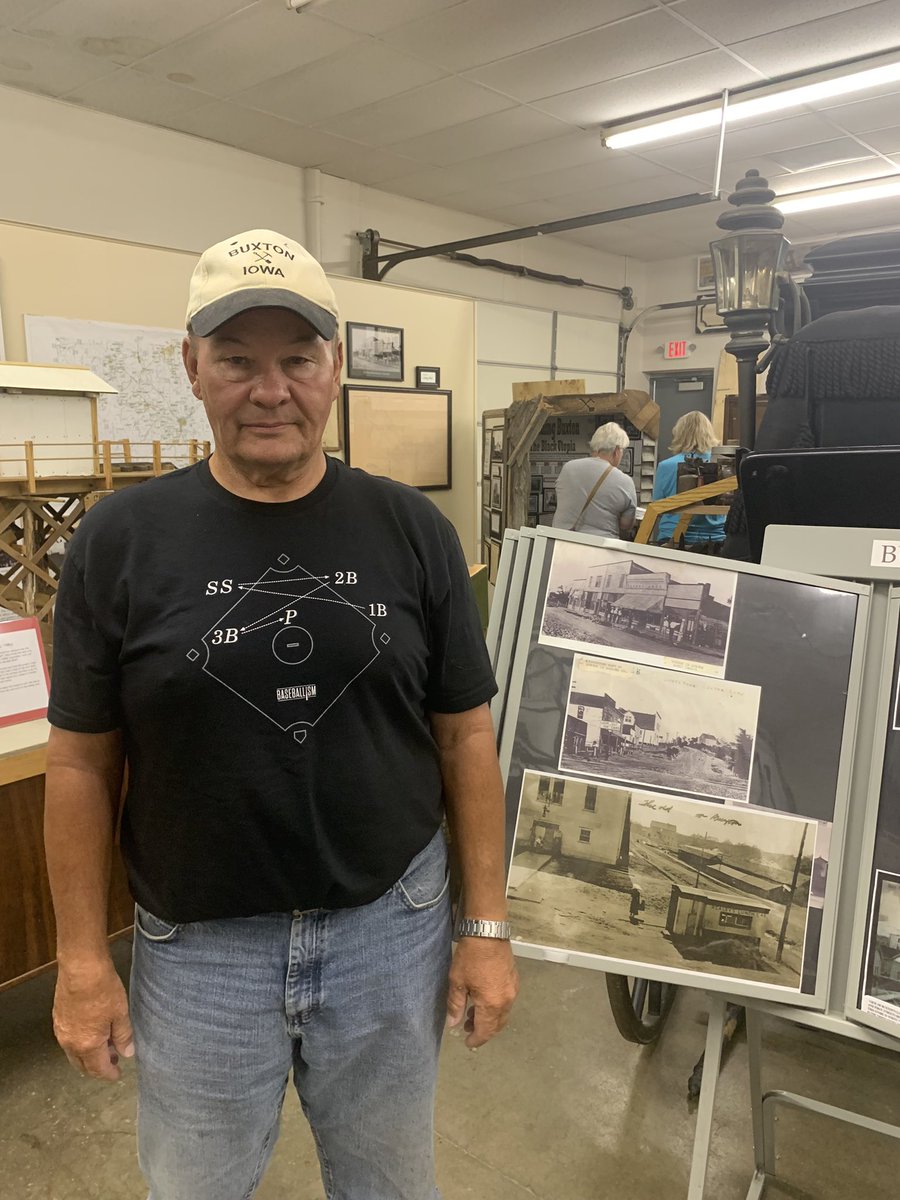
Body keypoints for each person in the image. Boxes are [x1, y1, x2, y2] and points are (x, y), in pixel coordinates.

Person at [43, 228, 519, 1200]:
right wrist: (82, 958)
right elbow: (81, 765)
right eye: (237, 360)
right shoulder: (118, 541)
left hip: (391, 929)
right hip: (200, 951)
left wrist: (487, 926)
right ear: (192, 368)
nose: (270, 390)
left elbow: (466, 736)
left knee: (389, 1188)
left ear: (333, 369)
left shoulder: (412, 530)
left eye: (297, 359)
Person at [652, 411, 725, 547]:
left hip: (672, 540)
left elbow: (658, 507)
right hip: (715, 539)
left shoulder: (665, 466)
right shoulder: (722, 466)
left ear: (679, 434)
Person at [552, 421, 636, 538]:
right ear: (616, 451)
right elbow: (626, 524)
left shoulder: (568, 468)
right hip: (600, 548)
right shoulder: (625, 481)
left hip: (562, 543)